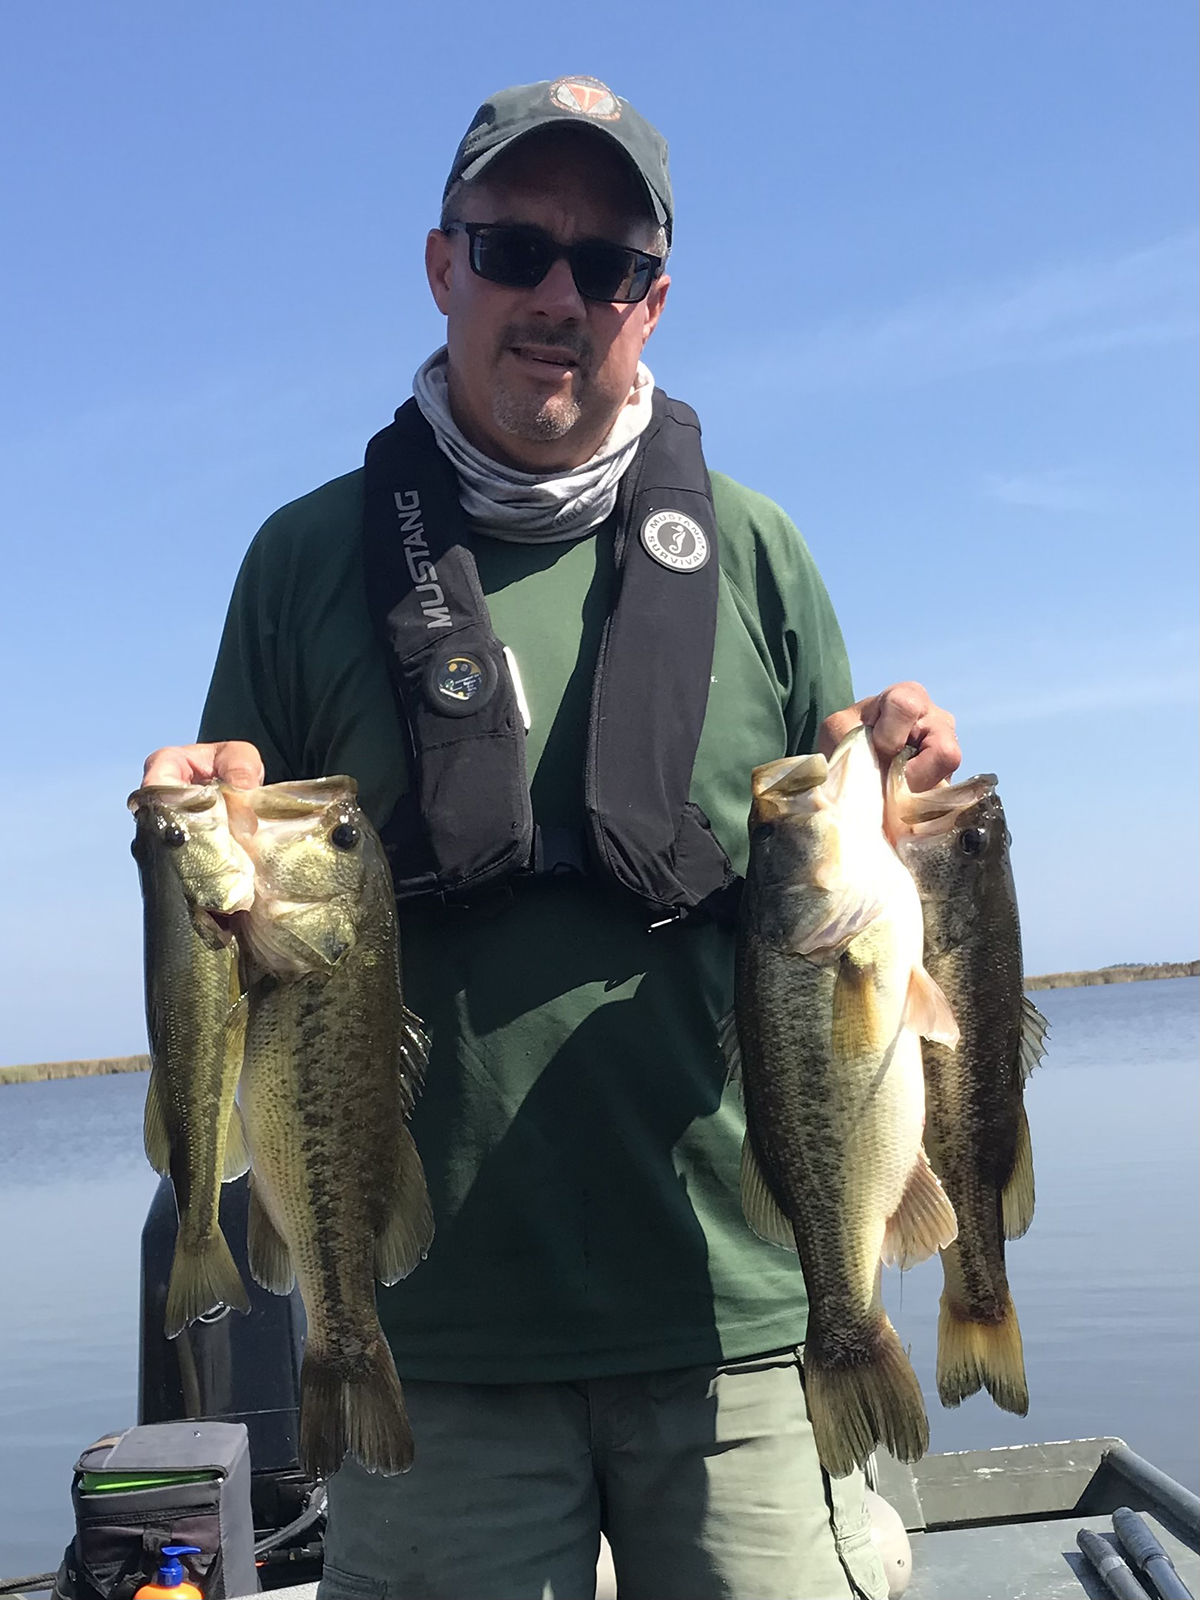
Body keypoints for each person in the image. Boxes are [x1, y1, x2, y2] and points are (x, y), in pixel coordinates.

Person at [142, 76, 960, 1600]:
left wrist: (905, 786)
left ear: (654, 302)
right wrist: (199, 845)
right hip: (429, 1348)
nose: (558, 297)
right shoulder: (304, 561)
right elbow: (228, 946)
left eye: (609, 266)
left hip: (744, 1327)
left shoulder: (763, 552)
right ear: (442, 264)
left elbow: (854, 908)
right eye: (515, 248)